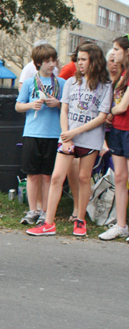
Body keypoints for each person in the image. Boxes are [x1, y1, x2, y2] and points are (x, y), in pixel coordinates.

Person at [27, 43, 112, 237]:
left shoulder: (105, 85)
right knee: (57, 177)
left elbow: (101, 117)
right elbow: (64, 109)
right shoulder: (72, 82)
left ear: (94, 60)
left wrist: (76, 132)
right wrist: (66, 134)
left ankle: (80, 220)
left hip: (89, 140)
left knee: (83, 178)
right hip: (67, 139)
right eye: (78, 59)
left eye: (83, 59)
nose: (79, 63)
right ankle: (48, 223)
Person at [15, 44, 65, 226]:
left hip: (53, 134)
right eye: (47, 61)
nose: (52, 64)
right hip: (32, 133)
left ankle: (45, 210)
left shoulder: (61, 83)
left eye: (54, 60)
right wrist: (31, 105)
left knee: (47, 175)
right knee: (32, 174)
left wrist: (57, 103)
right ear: (38, 63)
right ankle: (32, 209)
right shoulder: (29, 83)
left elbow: (67, 107)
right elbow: (18, 105)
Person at [100, 35, 129, 241]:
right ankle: (121, 225)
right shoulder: (121, 74)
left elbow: (122, 106)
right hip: (118, 130)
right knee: (119, 177)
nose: (113, 53)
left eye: (117, 49)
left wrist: (108, 111)